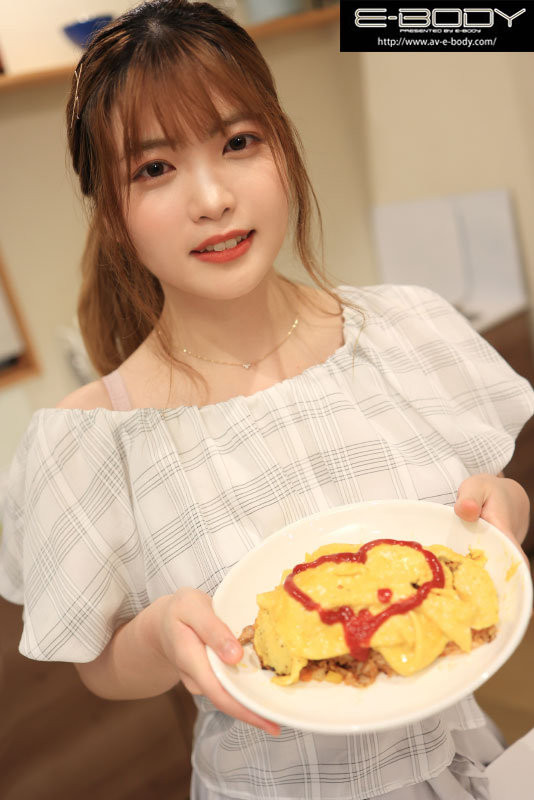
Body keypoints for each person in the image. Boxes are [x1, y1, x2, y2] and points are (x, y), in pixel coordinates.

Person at [1, 1, 533, 798]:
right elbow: (100, 665)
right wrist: (159, 636)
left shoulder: (404, 331)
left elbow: (490, 512)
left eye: (238, 142)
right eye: (155, 169)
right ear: (111, 212)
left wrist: (505, 510)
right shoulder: (92, 436)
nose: (212, 198)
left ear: (284, 144)